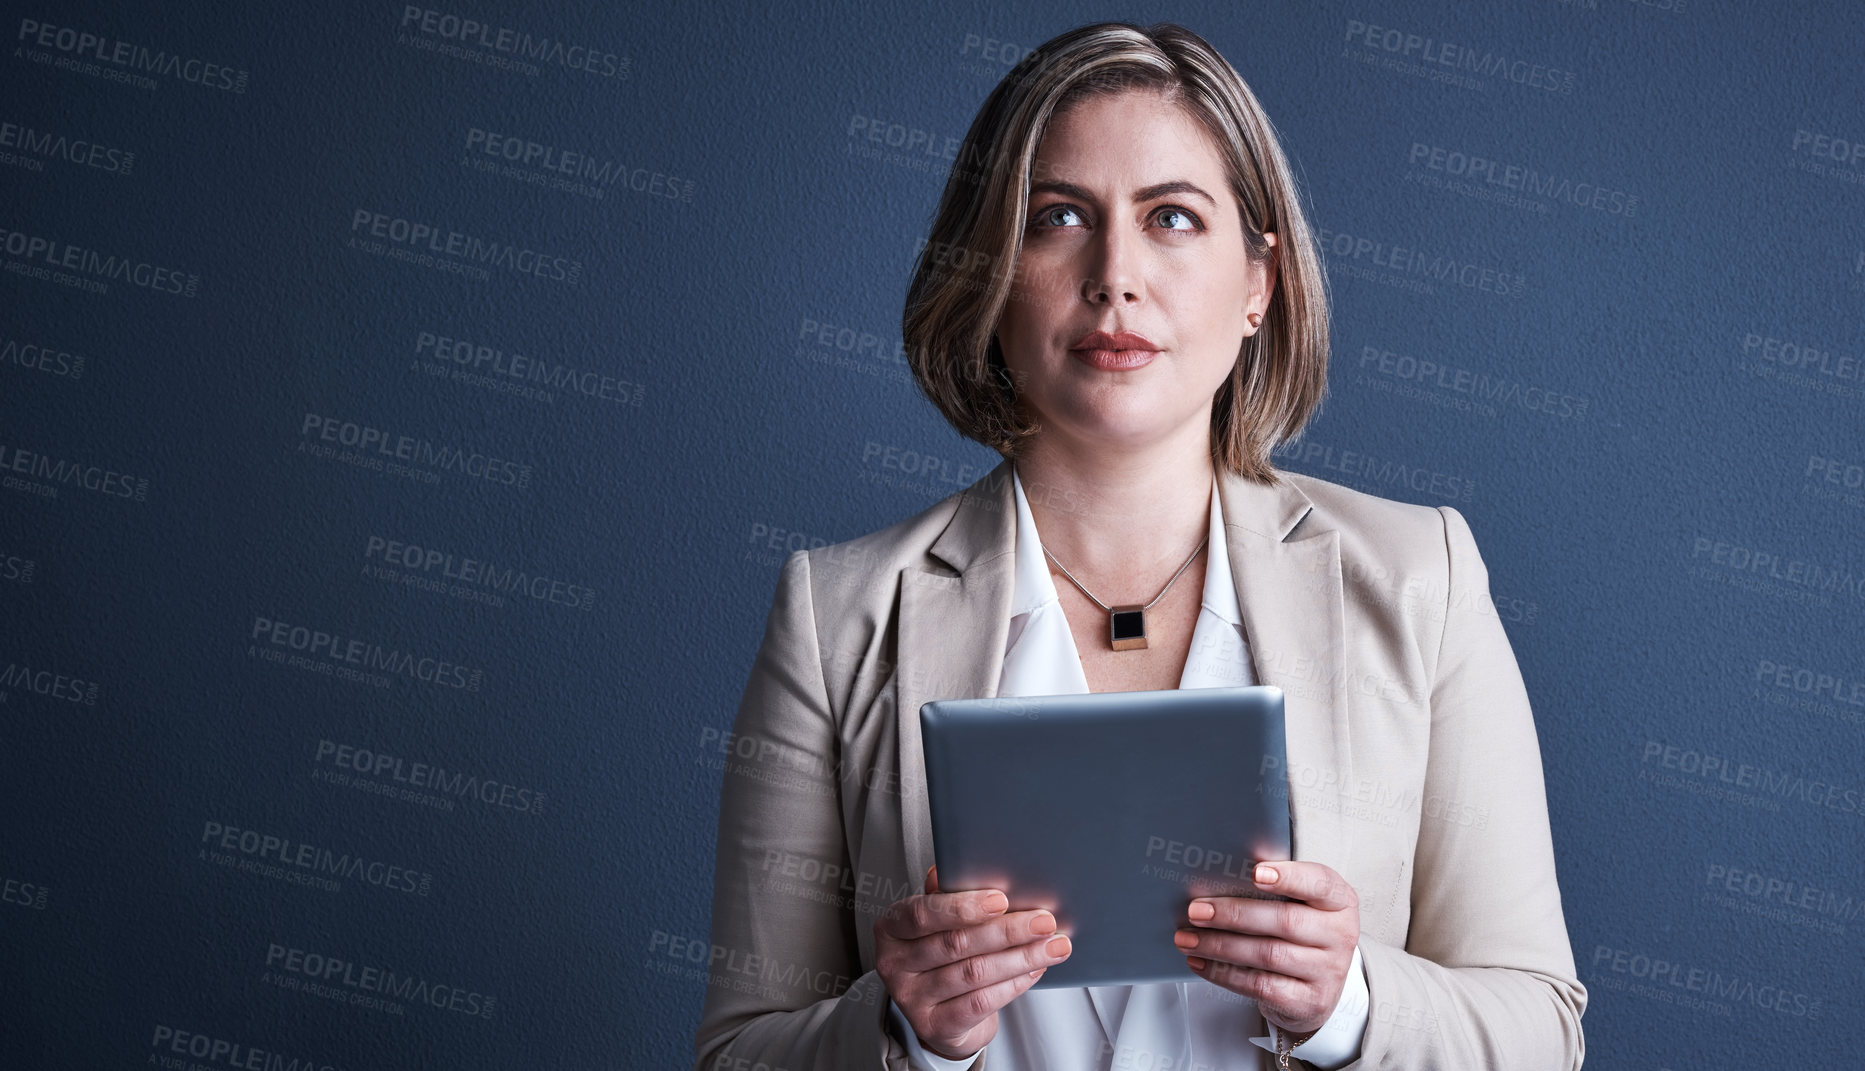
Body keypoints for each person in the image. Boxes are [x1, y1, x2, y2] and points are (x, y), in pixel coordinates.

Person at [694, 21, 1585, 1071]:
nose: (1114, 275)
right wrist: (903, 1030)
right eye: (1057, 217)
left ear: (1258, 282)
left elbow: (1539, 1028)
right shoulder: (837, 614)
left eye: (1171, 218)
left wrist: (1346, 1004)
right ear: (988, 275)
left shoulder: (1417, 578)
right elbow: (740, 1054)